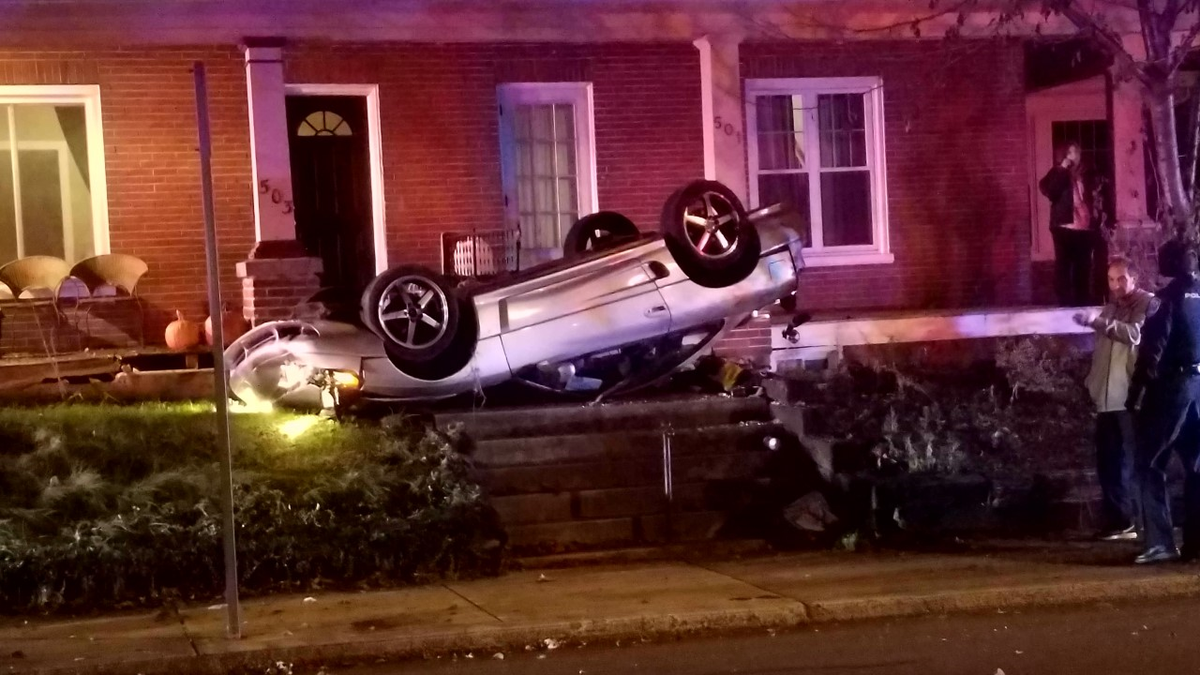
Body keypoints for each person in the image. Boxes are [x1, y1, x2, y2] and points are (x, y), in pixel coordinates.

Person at [1127, 239, 1200, 564]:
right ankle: (1196, 543)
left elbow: (1152, 351)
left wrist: (1135, 393)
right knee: (1196, 465)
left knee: (1149, 462)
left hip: (1173, 389)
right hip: (1199, 387)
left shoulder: (1165, 300)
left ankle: (1160, 542)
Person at [1074, 256, 1154, 541]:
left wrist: (1097, 322)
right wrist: (1092, 384)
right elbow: (1101, 353)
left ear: (1134, 278)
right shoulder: (1111, 308)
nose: (1116, 285)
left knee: (1128, 462)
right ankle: (1119, 521)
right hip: (1107, 398)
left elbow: (1134, 334)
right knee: (1107, 462)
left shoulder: (1147, 304)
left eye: (1122, 279)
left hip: (1129, 398)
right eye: (1111, 279)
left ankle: (1136, 521)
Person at [1039, 142, 1097, 306]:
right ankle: (1064, 301)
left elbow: (1094, 195)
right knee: (1064, 264)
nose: (1074, 156)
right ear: (1064, 154)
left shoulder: (1086, 173)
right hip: (1064, 226)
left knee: (1083, 264)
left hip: (1084, 226)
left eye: (1077, 152)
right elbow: (1050, 191)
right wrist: (1062, 169)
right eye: (1070, 152)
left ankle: (1082, 300)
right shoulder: (1058, 172)